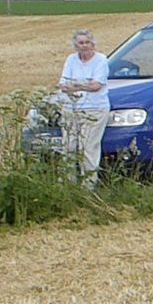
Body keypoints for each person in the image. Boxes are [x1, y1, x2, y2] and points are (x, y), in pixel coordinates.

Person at [57, 29, 111, 186]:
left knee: (88, 148)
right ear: (75, 45)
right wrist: (83, 84)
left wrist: (76, 84)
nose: (84, 46)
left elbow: (96, 86)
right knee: (68, 147)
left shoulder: (101, 60)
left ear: (93, 44)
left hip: (94, 108)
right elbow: (63, 85)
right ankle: (68, 184)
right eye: (81, 43)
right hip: (71, 107)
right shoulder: (71, 60)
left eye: (87, 42)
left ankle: (89, 185)